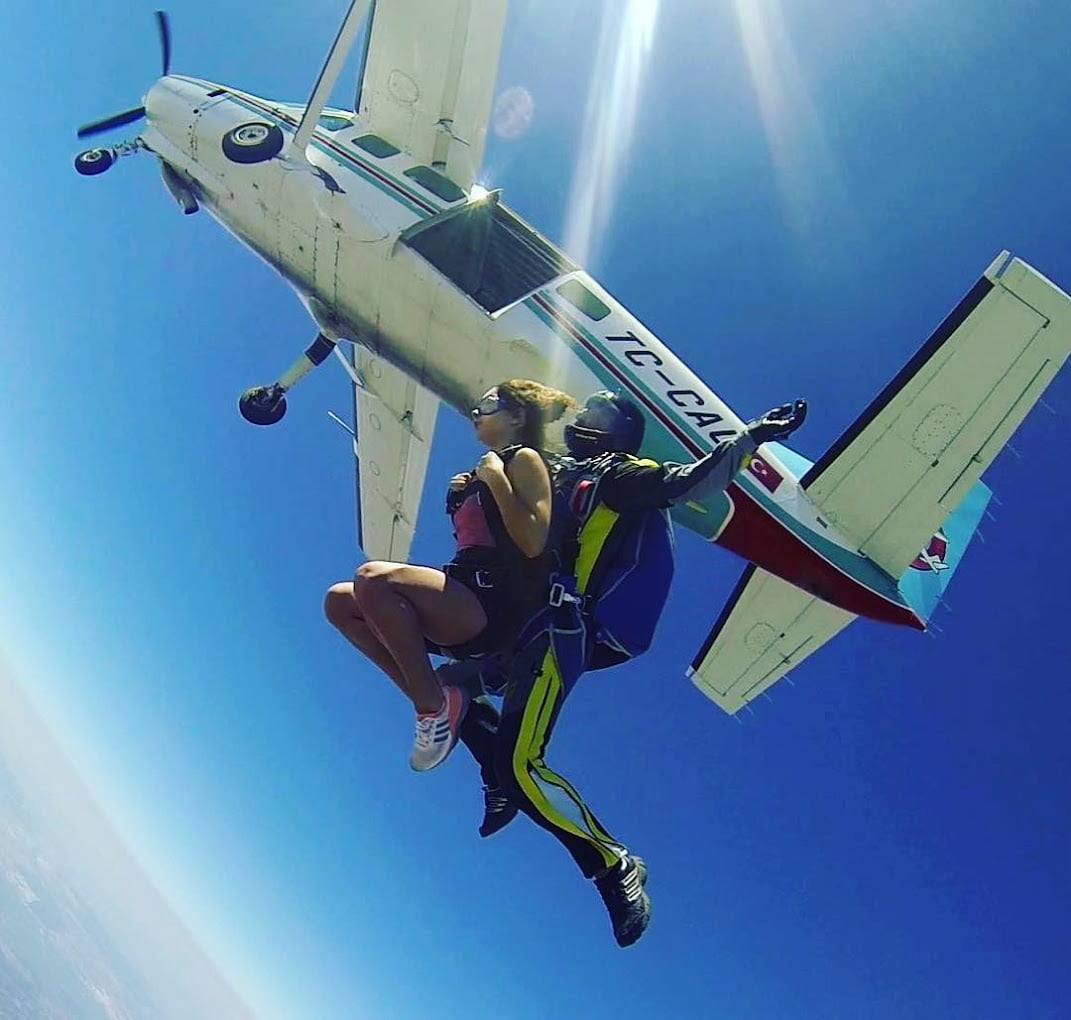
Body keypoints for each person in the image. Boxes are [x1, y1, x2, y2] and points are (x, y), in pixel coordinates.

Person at [453, 390, 808, 948]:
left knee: (524, 765)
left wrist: (750, 438)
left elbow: (687, 484)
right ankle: (496, 775)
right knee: (445, 688)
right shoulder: (564, 470)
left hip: (558, 629)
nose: (582, 418)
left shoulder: (619, 475)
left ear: (616, 431)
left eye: (597, 414)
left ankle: (613, 865)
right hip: (519, 622)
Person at [324, 379, 576, 772]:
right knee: (340, 602)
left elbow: (533, 541)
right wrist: (467, 490)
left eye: (489, 403)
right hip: (463, 592)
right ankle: (441, 702)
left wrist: (495, 478)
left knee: (372, 577)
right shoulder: (474, 476)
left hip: (494, 608)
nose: (476, 410)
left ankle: (432, 708)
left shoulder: (525, 460)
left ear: (516, 416)